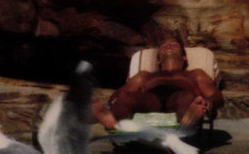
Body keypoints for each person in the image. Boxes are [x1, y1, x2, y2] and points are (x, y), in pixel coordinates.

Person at [93, 38, 224, 131]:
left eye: (174, 44)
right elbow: (119, 94)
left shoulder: (195, 74)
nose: (168, 45)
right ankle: (111, 120)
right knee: (126, 98)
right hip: (151, 99)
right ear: (158, 60)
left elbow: (215, 95)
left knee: (186, 98)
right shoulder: (144, 75)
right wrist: (115, 102)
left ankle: (190, 118)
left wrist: (207, 103)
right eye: (163, 45)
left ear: (184, 57)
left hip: (181, 97)